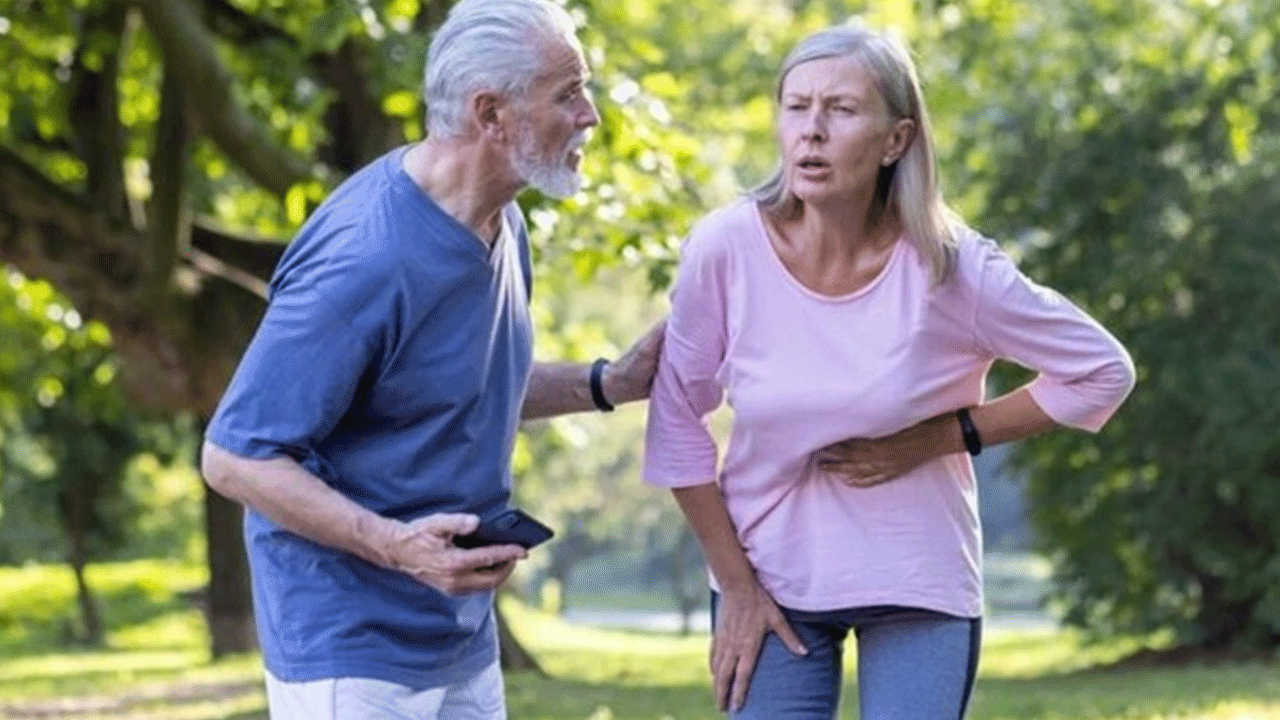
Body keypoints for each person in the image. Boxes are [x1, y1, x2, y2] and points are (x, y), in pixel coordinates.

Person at [643, 23, 1135, 720]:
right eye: (796, 106)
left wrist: (936, 438)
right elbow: (675, 421)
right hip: (768, 571)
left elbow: (1101, 371)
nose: (811, 131)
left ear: (896, 139)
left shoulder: (952, 266)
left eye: (840, 110)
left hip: (916, 576)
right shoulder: (725, 248)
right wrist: (737, 585)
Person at [200, 1, 662, 717]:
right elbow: (236, 457)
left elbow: (464, 387)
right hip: (348, 641)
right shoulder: (365, 258)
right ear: (490, 114)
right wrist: (394, 546)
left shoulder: (502, 220)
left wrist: (607, 383)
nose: (590, 115)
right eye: (567, 93)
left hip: (458, 634)